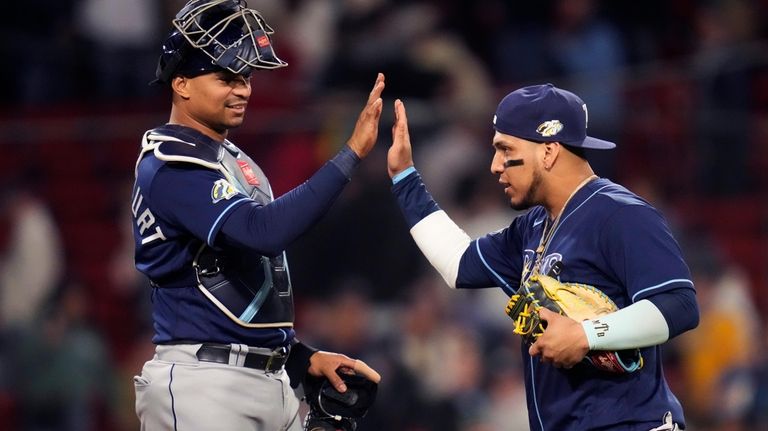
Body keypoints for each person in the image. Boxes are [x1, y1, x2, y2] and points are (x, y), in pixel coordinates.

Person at [386, 84, 700, 430]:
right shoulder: (532, 227)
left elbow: (679, 304)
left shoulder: (620, 213)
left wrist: (586, 335)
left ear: (549, 151)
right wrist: (405, 178)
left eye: (506, 149)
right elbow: (457, 263)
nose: (494, 165)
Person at [131, 1, 382, 430]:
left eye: (245, 77)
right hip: (203, 383)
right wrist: (350, 155)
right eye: (226, 77)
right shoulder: (169, 163)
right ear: (182, 84)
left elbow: (248, 279)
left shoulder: (233, 161)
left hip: (265, 378)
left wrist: (302, 358)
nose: (243, 89)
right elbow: (262, 232)